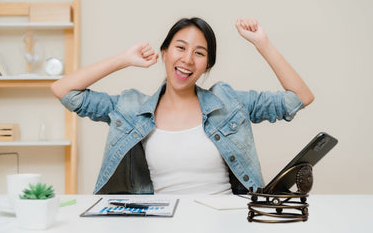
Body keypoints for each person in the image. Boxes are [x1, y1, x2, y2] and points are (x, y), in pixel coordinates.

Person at [51, 17, 314, 195]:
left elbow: (300, 97)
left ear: (207, 65)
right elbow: (64, 91)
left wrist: (262, 43)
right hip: (163, 223)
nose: (187, 59)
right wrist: (123, 59)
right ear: (164, 52)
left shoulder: (229, 102)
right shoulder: (130, 108)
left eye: (199, 53)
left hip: (228, 221)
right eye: (180, 48)